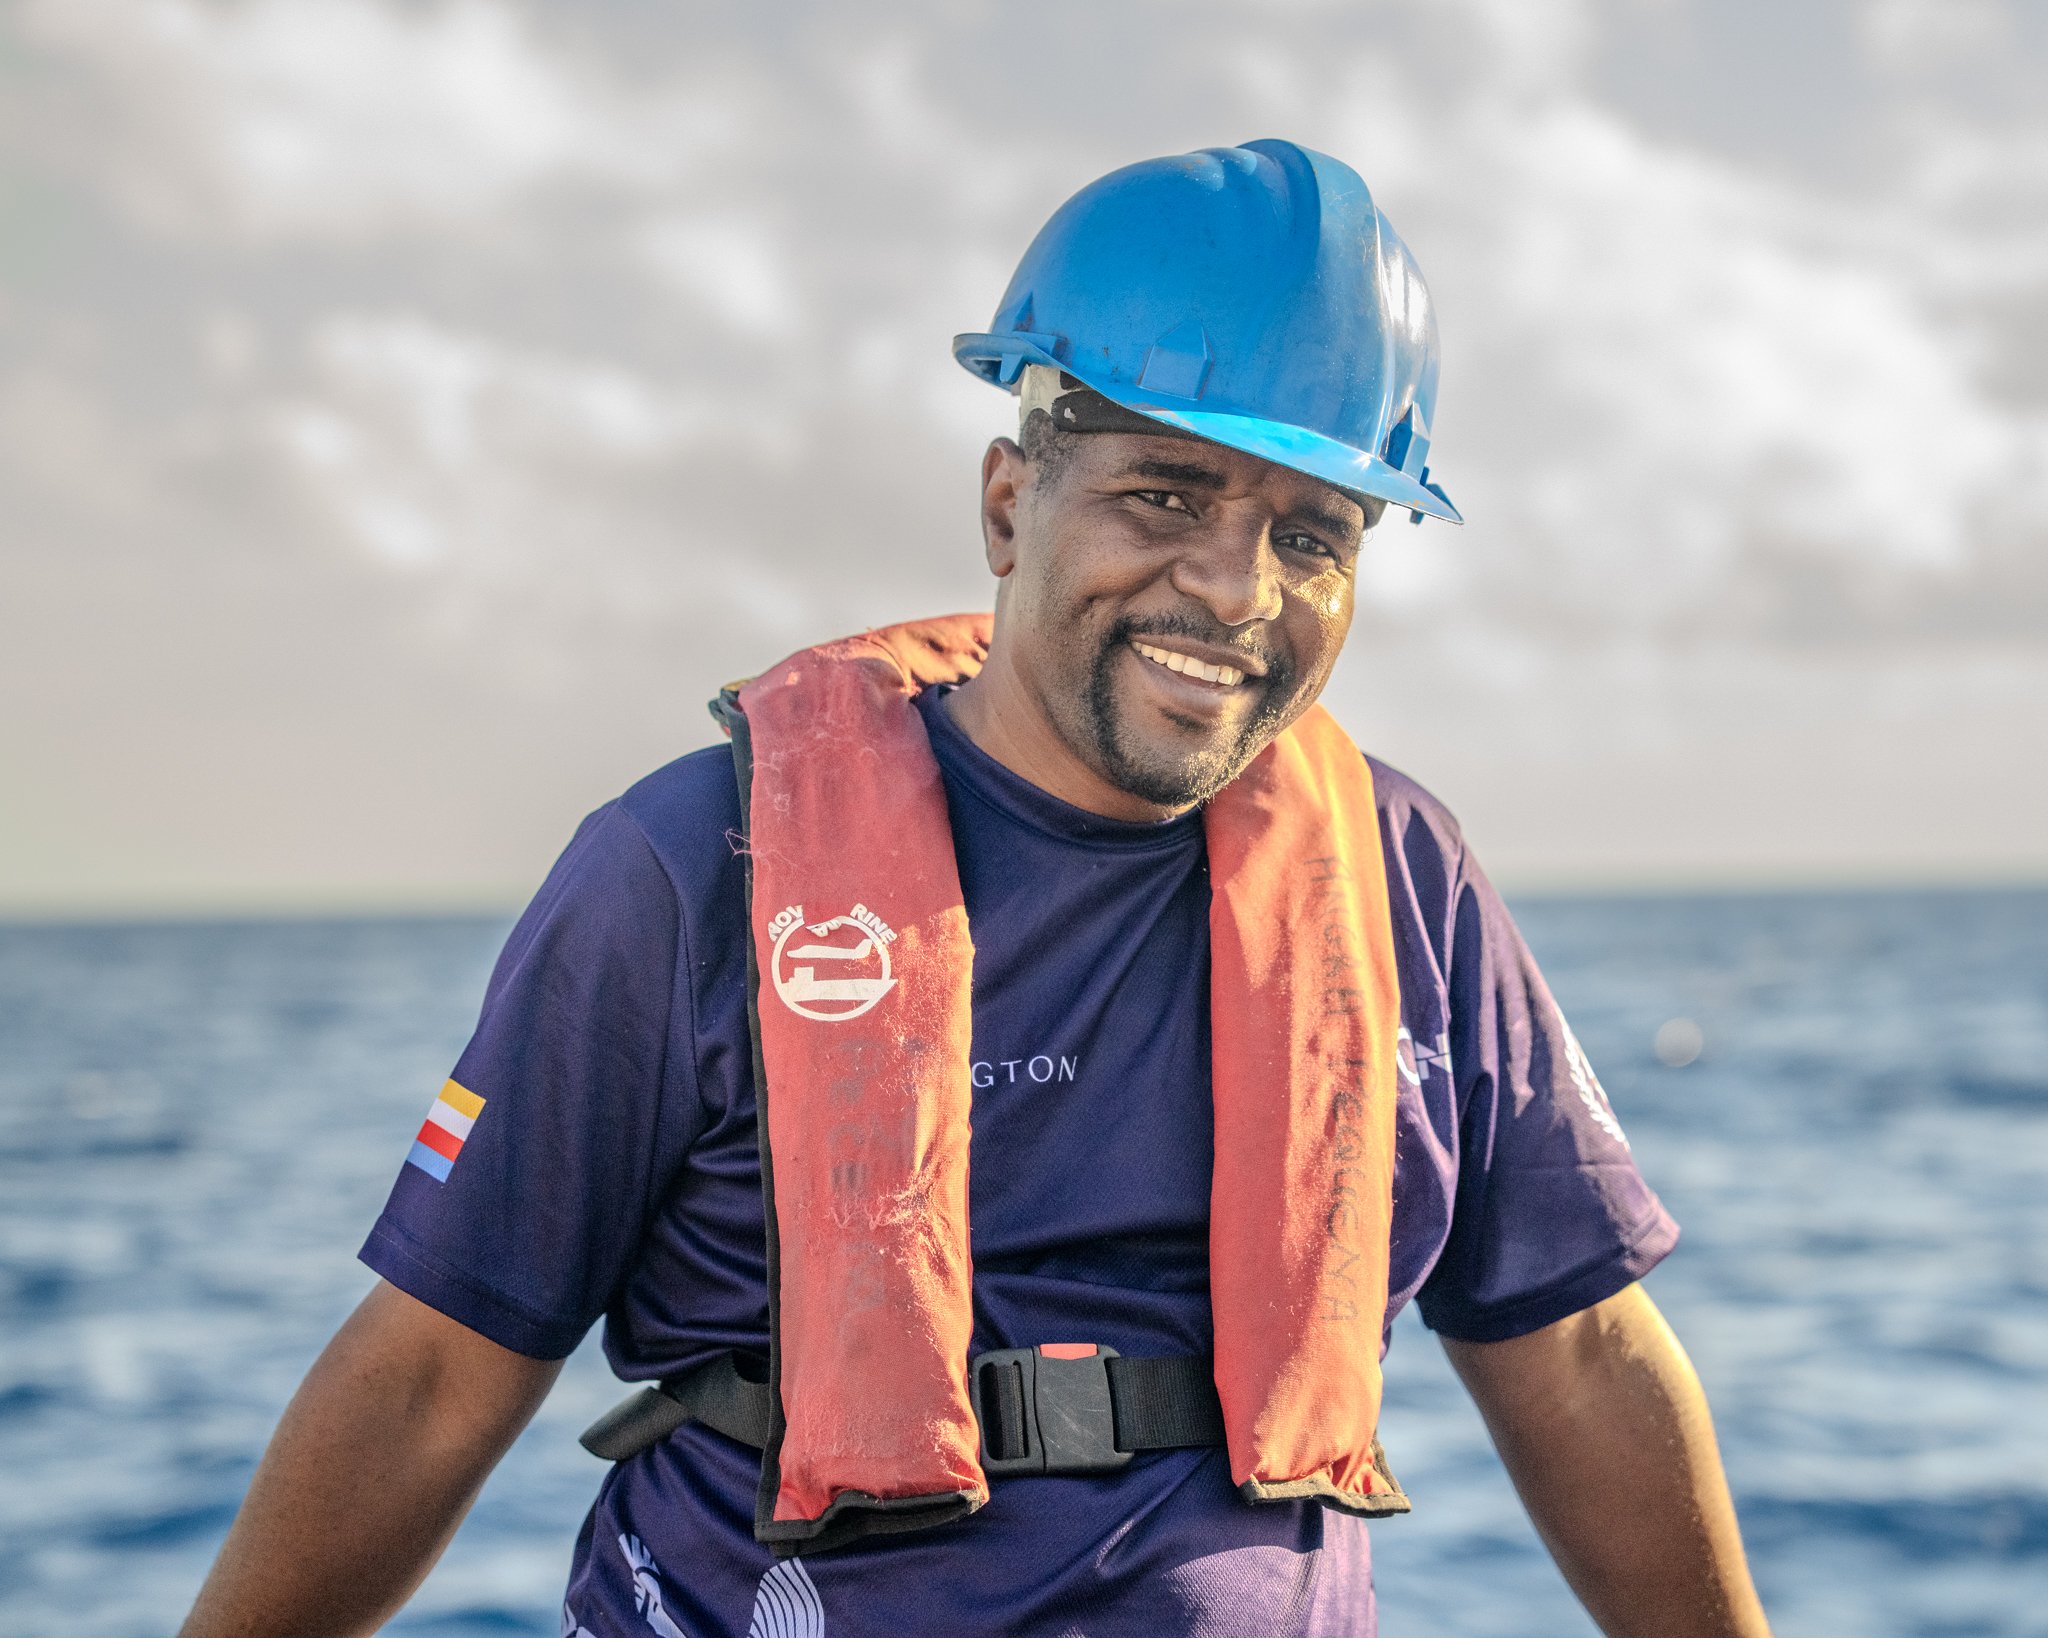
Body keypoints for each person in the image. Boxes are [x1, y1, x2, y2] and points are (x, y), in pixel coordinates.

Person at [180, 140, 1771, 1637]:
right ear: (1011, 505)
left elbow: (1577, 1355)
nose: (1235, 587)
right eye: (1165, 495)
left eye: (1312, 532)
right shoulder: (690, 869)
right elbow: (427, 1383)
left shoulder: (1402, 880)